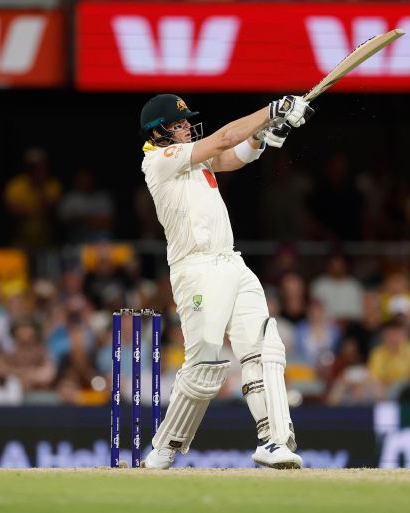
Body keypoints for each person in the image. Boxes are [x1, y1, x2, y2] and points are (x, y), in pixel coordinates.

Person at [137, 93, 314, 469]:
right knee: (205, 365)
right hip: (196, 269)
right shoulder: (159, 161)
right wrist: (271, 111)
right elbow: (223, 140)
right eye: (179, 124)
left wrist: (266, 132)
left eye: (187, 121)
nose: (188, 127)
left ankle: (273, 442)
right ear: (158, 132)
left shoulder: (193, 158)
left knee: (264, 349)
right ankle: (164, 448)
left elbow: (234, 156)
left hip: (231, 261)